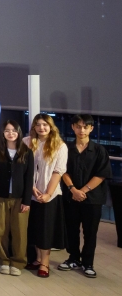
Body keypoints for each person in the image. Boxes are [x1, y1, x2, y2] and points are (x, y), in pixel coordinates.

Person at [58, 114, 112, 278]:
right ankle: (73, 258)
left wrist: (83, 190)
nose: (82, 130)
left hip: (93, 198)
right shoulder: (66, 148)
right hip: (71, 196)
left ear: (91, 128)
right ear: (73, 127)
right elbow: (62, 170)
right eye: (78, 126)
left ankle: (88, 263)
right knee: (71, 229)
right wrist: (73, 190)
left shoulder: (99, 150)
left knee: (90, 232)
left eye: (85, 127)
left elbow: (102, 174)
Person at [23, 114, 68, 278]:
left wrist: (48, 193)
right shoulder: (26, 142)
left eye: (45, 124)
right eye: (38, 125)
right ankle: (37, 259)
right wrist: (31, 188)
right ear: (34, 127)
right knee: (34, 228)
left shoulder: (60, 145)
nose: (41, 128)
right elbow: (23, 168)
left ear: (51, 126)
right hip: (30, 193)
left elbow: (58, 171)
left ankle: (45, 263)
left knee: (45, 230)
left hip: (50, 195)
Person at [0, 120, 33, 277]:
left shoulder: (27, 152)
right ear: (3, 133)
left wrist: (27, 201)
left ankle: (18, 262)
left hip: (19, 198)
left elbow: (29, 178)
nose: (11, 133)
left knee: (19, 231)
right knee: (0, 230)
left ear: (19, 132)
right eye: (7, 130)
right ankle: (3, 260)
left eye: (14, 130)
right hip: (0, 196)